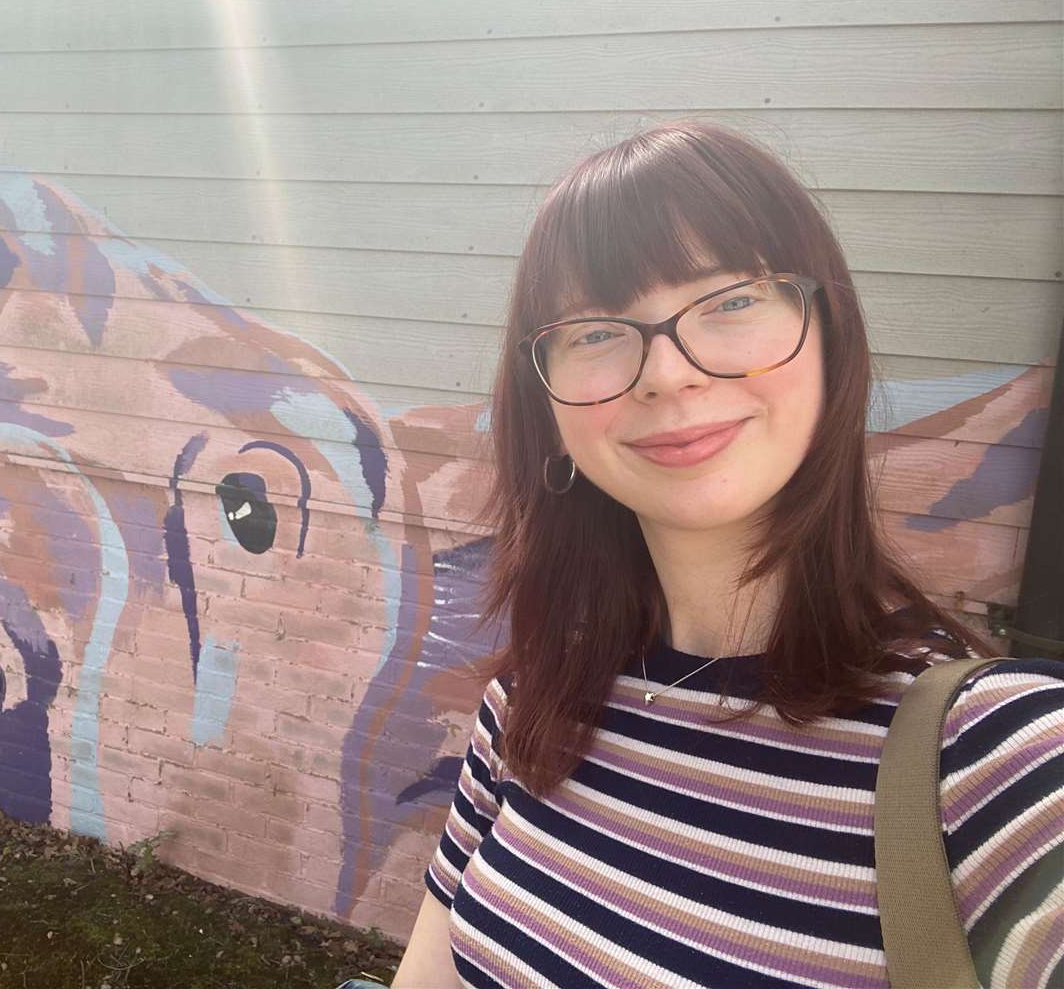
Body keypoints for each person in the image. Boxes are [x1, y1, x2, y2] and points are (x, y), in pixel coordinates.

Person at [383, 121, 1064, 988]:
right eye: (594, 330)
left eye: (731, 301)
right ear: (547, 404)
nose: (667, 374)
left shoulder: (1001, 765)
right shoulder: (528, 711)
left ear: (831, 339)